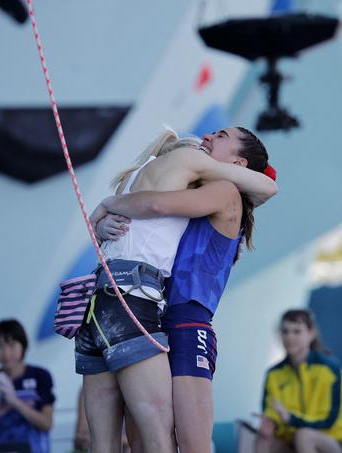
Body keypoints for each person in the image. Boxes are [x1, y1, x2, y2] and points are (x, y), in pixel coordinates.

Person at [77, 127, 276, 453]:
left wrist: (109, 204)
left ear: (238, 164)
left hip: (186, 324)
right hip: (151, 314)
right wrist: (104, 224)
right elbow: (145, 222)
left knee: (187, 444)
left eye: (221, 136)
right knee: (144, 440)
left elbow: (155, 203)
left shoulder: (225, 191)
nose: (209, 137)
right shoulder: (195, 189)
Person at [255, 309, 342, 453]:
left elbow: (329, 420)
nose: (289, 337)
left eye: (297, 331)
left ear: (311, 334)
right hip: (294, 440)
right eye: (285, 331)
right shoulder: (274, 374)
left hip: (335, 441)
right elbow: (273, 413)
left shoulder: (330, 369)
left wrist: (291, 419)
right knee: (264, 437)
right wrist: (270, 424)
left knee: (304, 436)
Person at [0, 319, 55, 453]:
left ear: (23, 346)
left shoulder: (40, 375)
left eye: (11, 345)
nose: (6, 353)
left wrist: (14, 400)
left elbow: (47, 424)